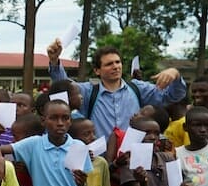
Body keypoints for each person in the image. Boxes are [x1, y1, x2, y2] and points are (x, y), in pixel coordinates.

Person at [46, 41, 187, 139]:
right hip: (100, 162)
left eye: (118, 62)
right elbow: (64, 87)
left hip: (132, 163)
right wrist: (54, 61)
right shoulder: (88, 92)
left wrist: (175, 74)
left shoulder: (138, 88)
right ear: (97, 70)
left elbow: (173, 96)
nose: (115, 66)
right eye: (109, 64)